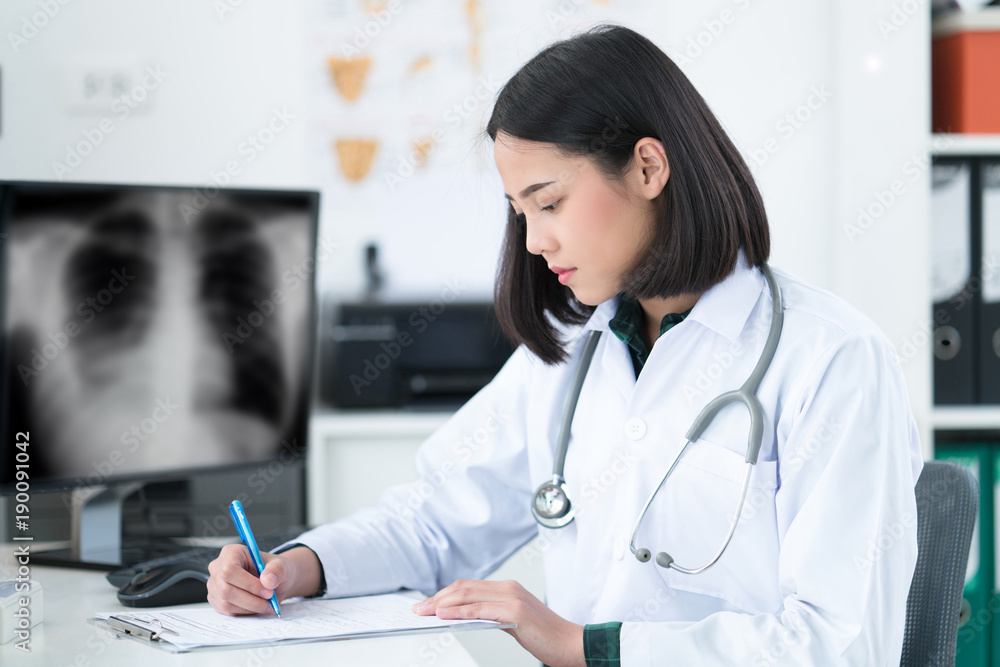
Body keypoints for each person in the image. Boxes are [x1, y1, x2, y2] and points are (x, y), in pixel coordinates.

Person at [207, 24, 923, 667]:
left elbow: (844, 643)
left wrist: (590, 648)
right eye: (519, 212)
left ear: (648, 168)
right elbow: (431, 520)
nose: (534, 240)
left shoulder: (833, 361)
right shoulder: (575, 351)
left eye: (549, 203)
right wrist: (298, 565)